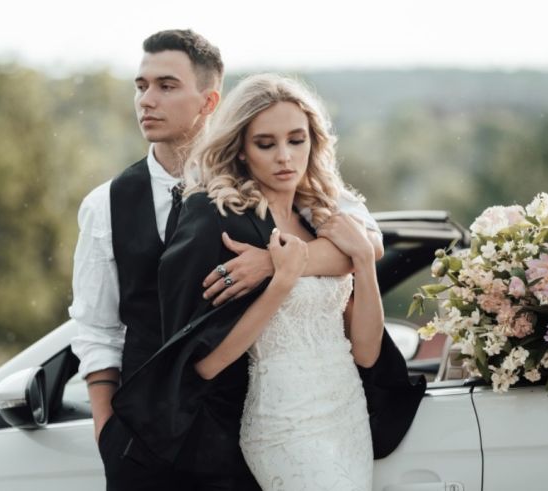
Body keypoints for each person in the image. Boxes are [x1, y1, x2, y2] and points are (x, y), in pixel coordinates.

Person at [70, 30, 384, 490]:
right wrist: (108, 434)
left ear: (208, 100)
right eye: (141, 86)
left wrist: (272, 263)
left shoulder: (264, 185)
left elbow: (367, 242)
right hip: (149, 438)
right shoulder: (105, 205)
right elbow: (97, 329)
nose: (147, 100)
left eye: (166, 86)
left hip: (251, 424)